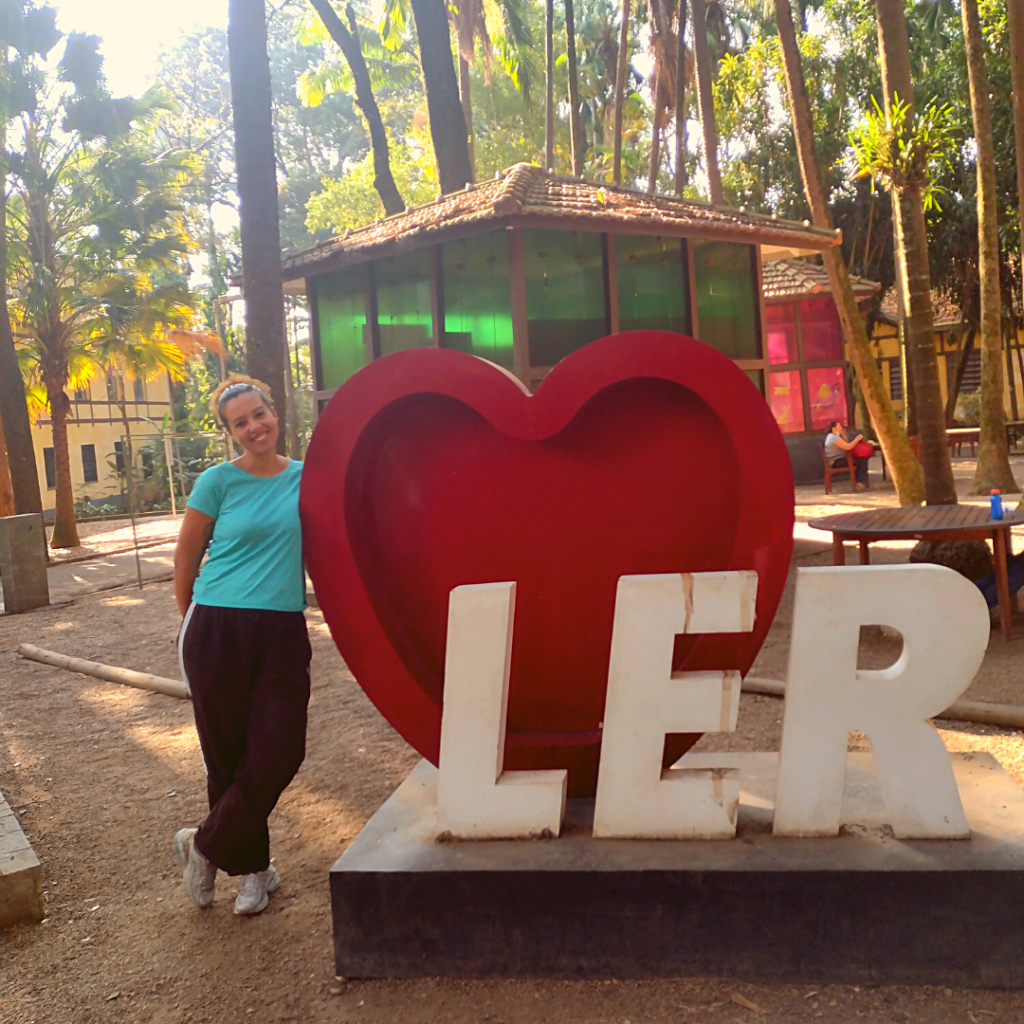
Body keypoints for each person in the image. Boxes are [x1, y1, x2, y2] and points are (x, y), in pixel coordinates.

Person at [172, 375, 310, 916]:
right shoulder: (217, 482)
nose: (255, 427)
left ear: (275, 412)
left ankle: (202, 845)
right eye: (241, 422)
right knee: (227, 757)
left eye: (260, 414)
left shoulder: (307, 477)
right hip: (215, 629)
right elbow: (186, 558)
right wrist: (193, 620)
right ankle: (254, 872)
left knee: (280, 750)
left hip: (280, 630)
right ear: (230, 433)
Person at [825, 420, 870, 491]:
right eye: (839, 426)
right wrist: (857, 439)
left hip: (837, 460)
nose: (841, 427)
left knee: (858, 460)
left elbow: (845, 444)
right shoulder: (833, 437)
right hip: (837, 461)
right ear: (833, 428)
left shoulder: (833, 436)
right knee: (862, 460)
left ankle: (859, 482)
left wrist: (844, 435)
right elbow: (848, 447)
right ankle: (860, 483)